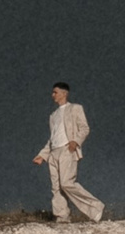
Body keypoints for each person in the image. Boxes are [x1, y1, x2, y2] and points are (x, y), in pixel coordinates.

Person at [31, 81, 102, 223]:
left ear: (64, 93)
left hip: (67, 149)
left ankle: (95, 207)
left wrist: (75, 141)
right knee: (56, 187)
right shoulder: (53, 115)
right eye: (52, 92)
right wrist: (42, 155)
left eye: (55, 92)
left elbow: (84, 128)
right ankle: (62, 216)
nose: (52, 95)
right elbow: (52, 138)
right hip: (53, 152)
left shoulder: (75, 108)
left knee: (66, 183)